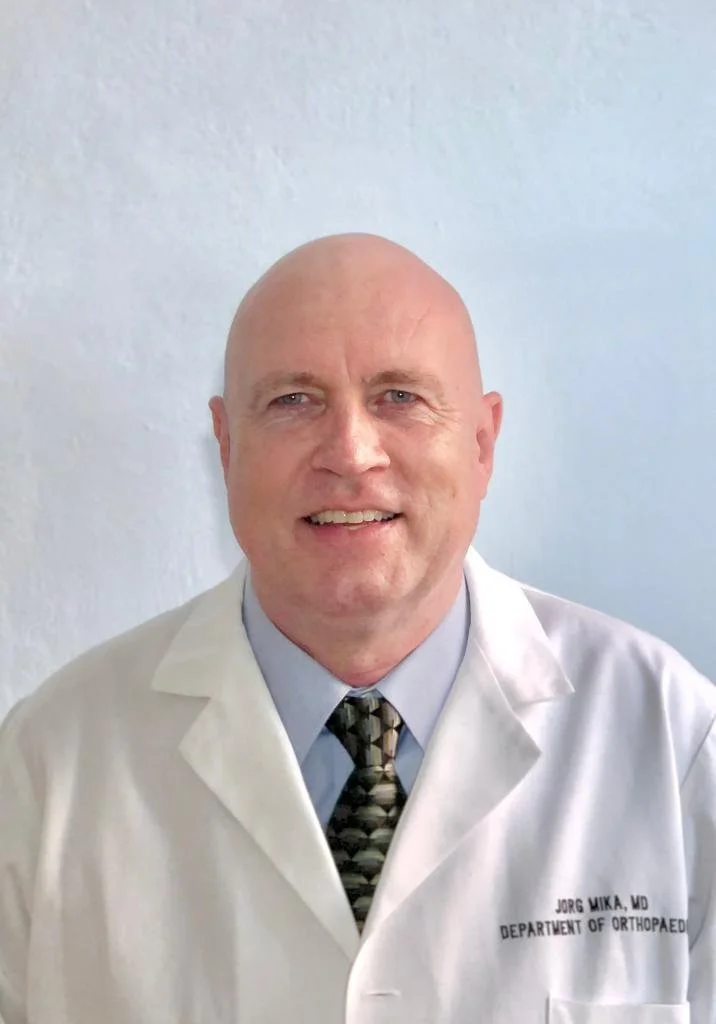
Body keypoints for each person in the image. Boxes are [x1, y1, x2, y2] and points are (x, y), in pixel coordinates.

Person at [1, 233, 714, 1024]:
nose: (351, 452)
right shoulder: (49, 763)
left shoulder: (674, 739)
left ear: (482, 442)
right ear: (226, 445)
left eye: (400, 397)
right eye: (293, 400)